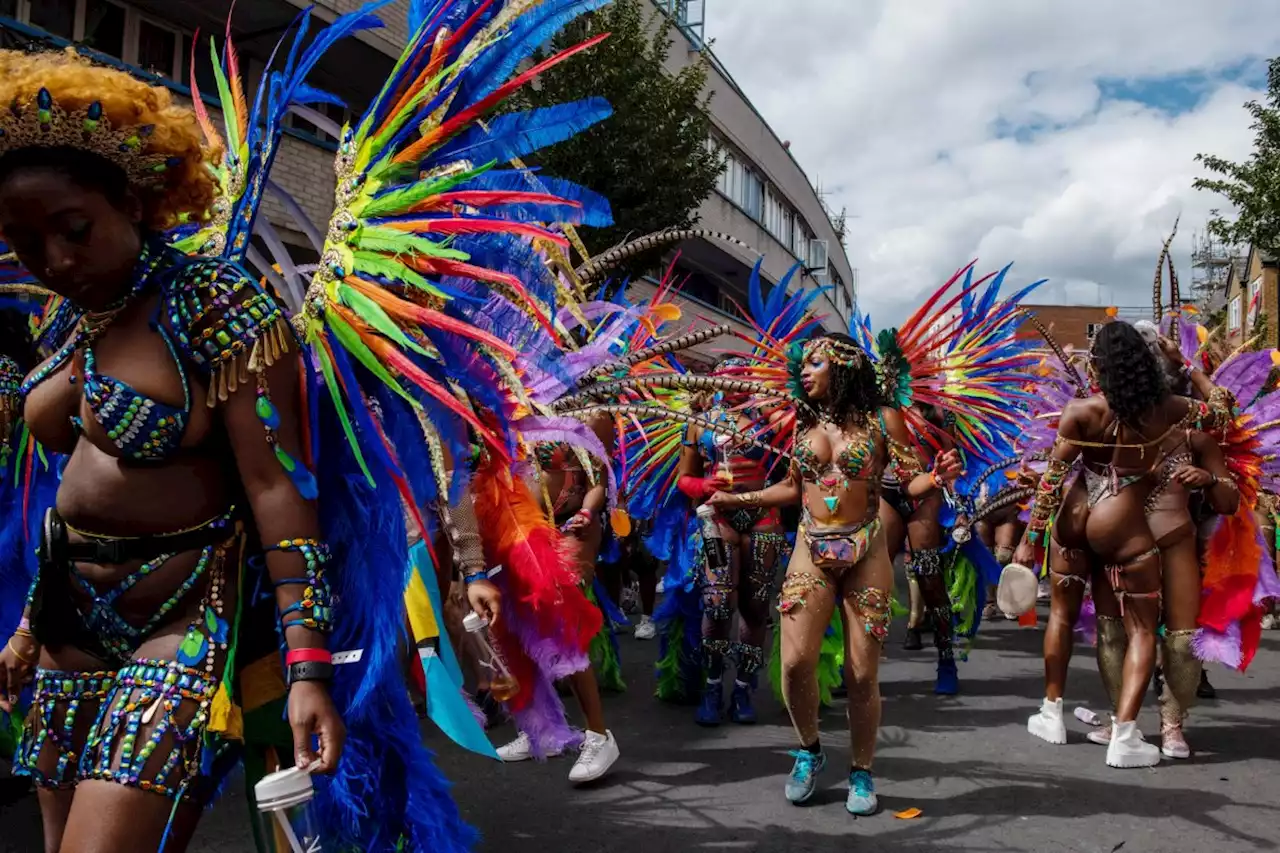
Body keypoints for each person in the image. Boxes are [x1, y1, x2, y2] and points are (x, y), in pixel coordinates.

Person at [710, 333, 960, 814]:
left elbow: (909, 481)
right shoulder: (804, 420)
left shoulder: (883, 420)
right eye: (804, 365)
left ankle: (862, 771)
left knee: (862, 672)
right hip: (810, 547)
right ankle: (809, 749)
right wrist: (737, 499)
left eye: (816, 363)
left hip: (867, 550)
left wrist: (938, 476)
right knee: (794, 663)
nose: (804, 372)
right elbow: (790, 487)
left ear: (843, 368)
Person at [1017, 321, 1235, 769]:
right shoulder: (1170, 411)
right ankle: (1124, 728)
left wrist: (1029, 540)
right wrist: (1187, 364)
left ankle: (1064, 714)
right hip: (1125, 527)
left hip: (1096, 524)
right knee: (1130, 630)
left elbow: (1052, 481)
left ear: (1097, 365)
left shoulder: (1082, 412)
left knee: (1089, 620)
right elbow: (1221, 410)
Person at [678, 360, 789, 726]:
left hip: (764, 518)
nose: (737, 384)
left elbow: (791, 474)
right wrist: (704, 487)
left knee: (756, 608)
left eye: (744, 378)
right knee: (718, 603)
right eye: (729, 378)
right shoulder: (698, 422)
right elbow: (686, 479)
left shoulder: (772, 421)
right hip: (716, 519)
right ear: (716, 383)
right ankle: (712, 687)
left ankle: (743, 687)